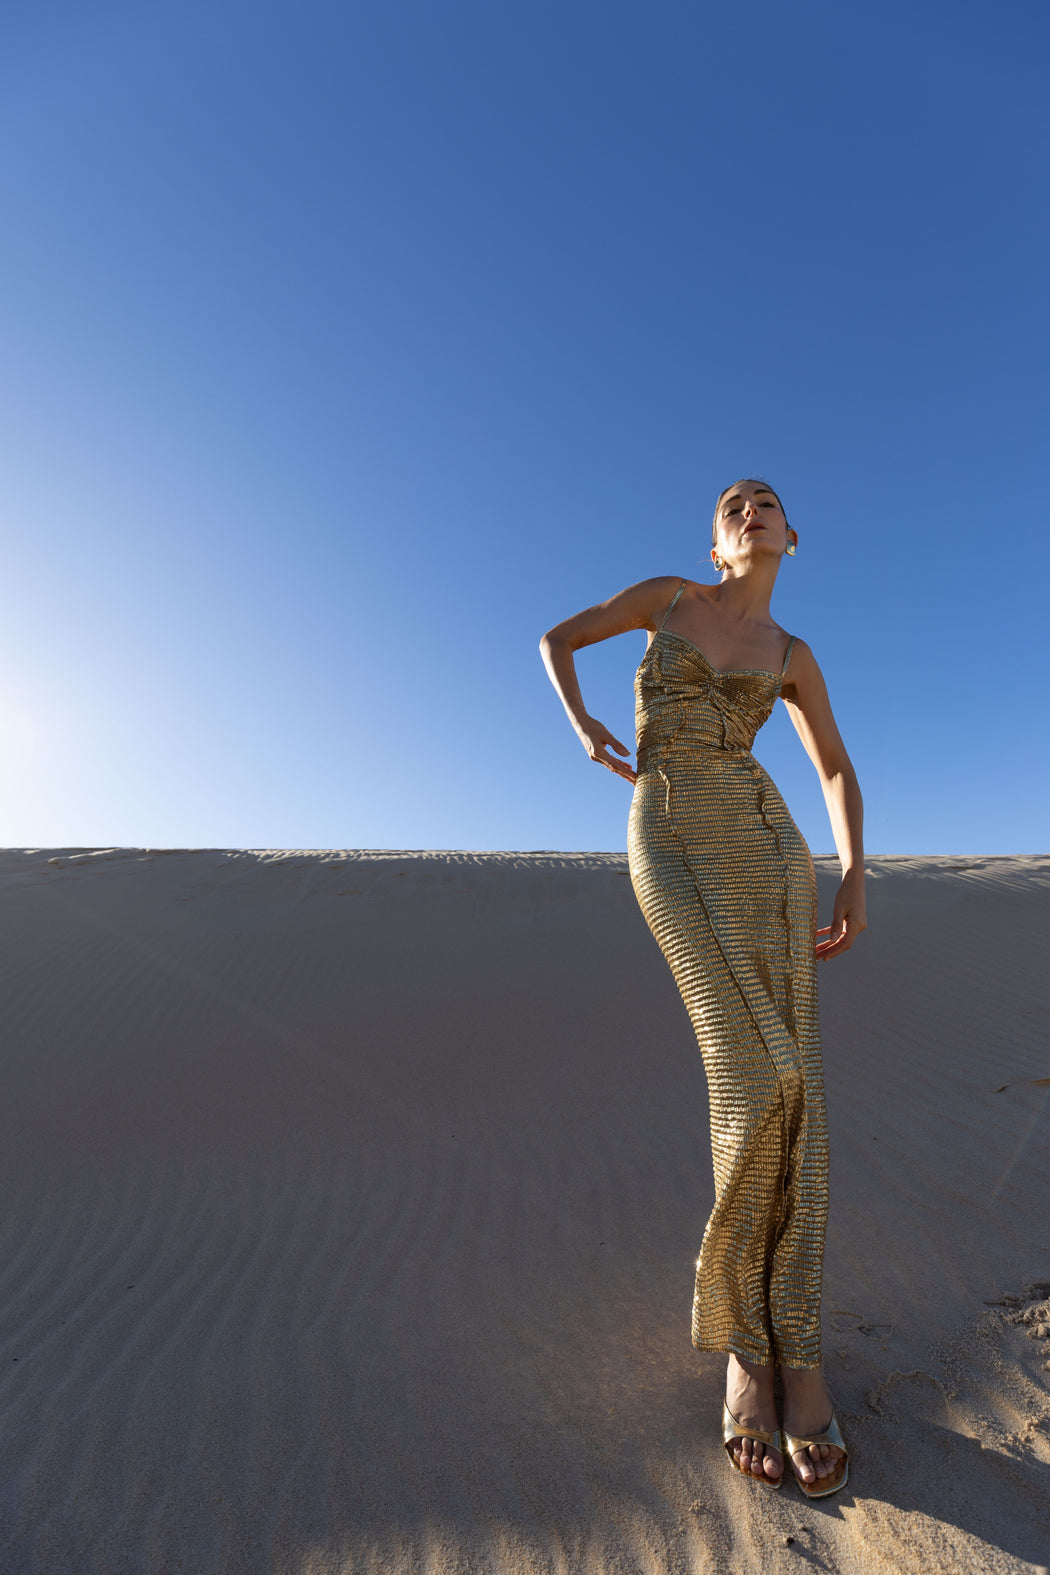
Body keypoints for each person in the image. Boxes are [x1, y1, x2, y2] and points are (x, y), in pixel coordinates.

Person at [538, 478, 865, 1497]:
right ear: (716, 539)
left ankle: (794, 1350)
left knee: (799, 1094)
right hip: (671, 831)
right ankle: (741, 1345)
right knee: (754, 1074)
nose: (752, 510)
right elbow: (557, 637)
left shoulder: (793, 656)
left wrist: (855, 870)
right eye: (735, 504)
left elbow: (835, 770)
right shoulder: (669, 599)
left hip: (771, 850)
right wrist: (586, 725)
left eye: (768, 503)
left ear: (791, 538)